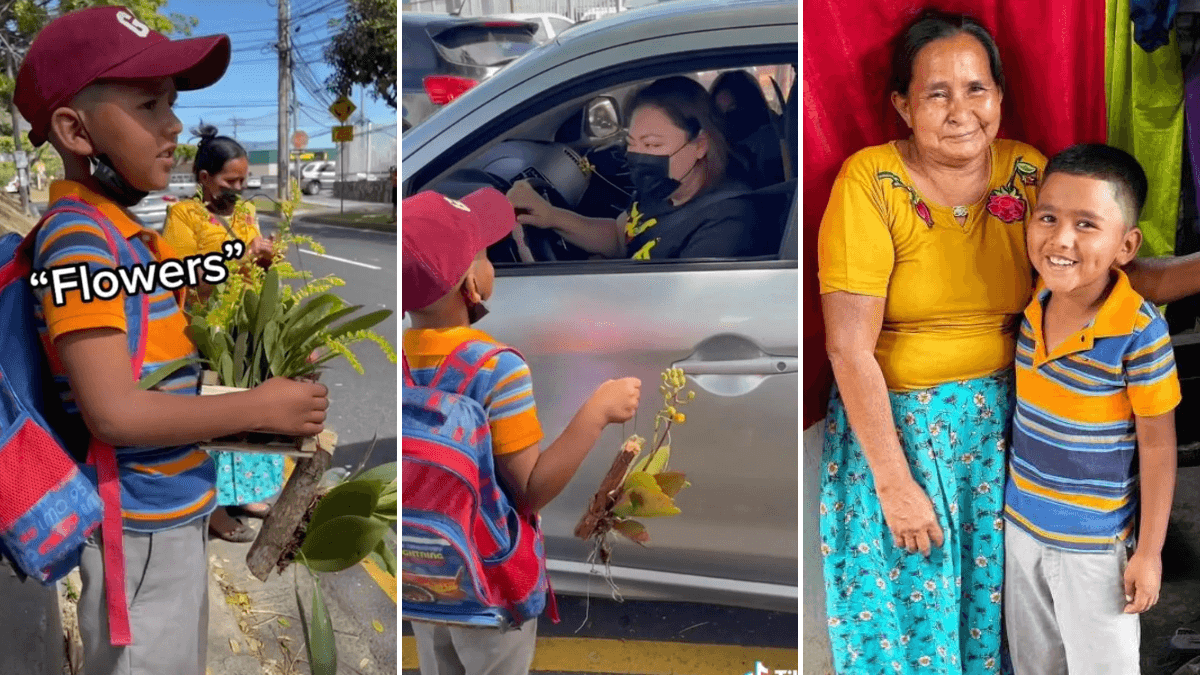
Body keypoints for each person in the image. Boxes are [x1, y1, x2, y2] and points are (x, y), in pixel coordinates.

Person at [817, 10, 1200, 673]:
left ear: (999, 96)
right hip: (905, 439)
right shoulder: (869, 182)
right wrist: (895, 484)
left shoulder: (1027, 174)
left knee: (1008, 633)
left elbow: (1107, 269)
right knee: (912, 631)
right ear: (903, 105)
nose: (960, 109)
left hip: (1010, 445)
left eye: (976, 89)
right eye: (937, 92)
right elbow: (849, 349)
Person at [14, 7, 329, 674]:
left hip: (169, 513)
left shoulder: (124, 235)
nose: (175, 125)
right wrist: (258, 407)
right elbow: (114, 410)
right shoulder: (79, 241)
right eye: (150, 104)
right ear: (75, 129)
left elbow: (164, 346)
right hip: (136, 528)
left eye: (173, 103)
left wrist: (257, 340)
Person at [403, 187, 641, 674]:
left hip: (425, 578)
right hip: (492, 587)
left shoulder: (401, 359)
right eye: (487, 255)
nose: (492, 264)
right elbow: (530, 491)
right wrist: (596, 412)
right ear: (472, 283)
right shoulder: (495, 368)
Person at [1003, 144, 1179, 674]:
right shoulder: (1034, 299)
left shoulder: (1139, 333)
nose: (1060, 239)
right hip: (1021, 530)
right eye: (1049, 217)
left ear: (1126, 246)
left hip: (1095, 549)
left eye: (1086, 224)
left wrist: (1148, 553)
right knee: (1038, 666)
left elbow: (1158, 444)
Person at [162, 125, 279, 542]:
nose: (239, 189)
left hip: (245, 331)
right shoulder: (184, 216)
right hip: (208, 334)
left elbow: (256, 267)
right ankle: (212, 506)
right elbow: (181, 282)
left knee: (251, 413)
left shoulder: (245, 213)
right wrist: (241, 260)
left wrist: (267, 257)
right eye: (231, 181)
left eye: (244, 181)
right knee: (214, 419)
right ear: (204, 178)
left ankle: (245, 491)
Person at [507, 76, 765, 260]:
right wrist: (550, 216)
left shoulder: (728, 220)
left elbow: (680, 311)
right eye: (632, 143)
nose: (640, 156)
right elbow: (621, 237)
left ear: (699, 145)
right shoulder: (664, 188)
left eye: (652, 145)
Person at [710, 69, 785, 188]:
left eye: (732, 112)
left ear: (752, 106)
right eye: (718, 114)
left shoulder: (767, 141)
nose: (724, 120)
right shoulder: (715, 145)